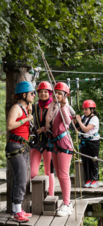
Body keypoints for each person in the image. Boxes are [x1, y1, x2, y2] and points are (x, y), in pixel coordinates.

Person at [6, 81, 35, 223]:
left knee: (20, 178)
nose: (34, 95)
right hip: (15, 147)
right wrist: (26, 119)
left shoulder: (25, 108)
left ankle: (16, 209)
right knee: (21, 179)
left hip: (22, 147)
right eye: (31, 93)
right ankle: (17, 211)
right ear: (23, 95)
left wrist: (28, 115)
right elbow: (10, 126)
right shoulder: (16, 108)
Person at [46, 82, 73, 216]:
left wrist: (63, 106)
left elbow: (67, 121)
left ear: (64, 96)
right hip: (55, 143)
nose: (57, 95)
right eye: (55, 93)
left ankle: (67, 204)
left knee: (63, 175)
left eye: (60, 94)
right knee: (59, 175)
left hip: (64, 143)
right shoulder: (52, 106)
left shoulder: (64, 107)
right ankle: (67, 202)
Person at [30, 81, 55, 196]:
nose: (43, 94)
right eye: (41, 92)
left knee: (49, 172)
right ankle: (38, 195)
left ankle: (50, 196)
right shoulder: (34, 107)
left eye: (46, 92)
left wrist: (44, 129)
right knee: (33, 172)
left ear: (50, 93)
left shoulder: (54, 106)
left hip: (49, 142)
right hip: (36, 141)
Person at [76, 100, 100, 188]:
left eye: (86, 109)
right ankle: (89, 179)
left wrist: (79, 120)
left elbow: (86, 129)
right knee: (86, 161)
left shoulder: (94, 119)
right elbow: (78, 129)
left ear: (92, 110)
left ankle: (95, 180)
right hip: (85, 141)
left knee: (93, 160)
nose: (84, 111)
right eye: (84, 109)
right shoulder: (84, 117)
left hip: (93, 142)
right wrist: (75, 121)